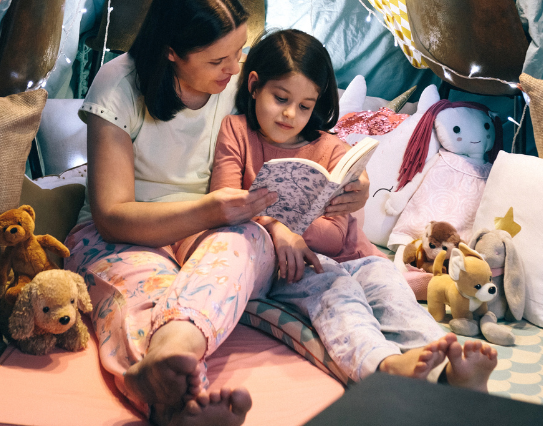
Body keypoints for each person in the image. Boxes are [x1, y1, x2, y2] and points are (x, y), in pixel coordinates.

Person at [63, 1, 371, 425]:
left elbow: (310, 134)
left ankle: (175, 356)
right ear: (172, 51)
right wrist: (209, 209)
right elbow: (111, 217)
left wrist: (357, 182)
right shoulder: (119, 84)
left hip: (220, 229)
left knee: (243, 241)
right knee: (143, 295)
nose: (235, 68)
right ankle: (176, 402)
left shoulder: (239, 81)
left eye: (239, 51)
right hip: (126, 234)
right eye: (217, 60)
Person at [210, 29, 498, 390]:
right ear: (254, 86)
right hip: (296, 265)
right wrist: (277, 227)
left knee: (390, 288)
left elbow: (335, 238)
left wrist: (294, 223)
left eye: (305, 106)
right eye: (280, 98)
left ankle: (446, 365)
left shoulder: (332, 149)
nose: (290, 114)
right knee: (338, 293)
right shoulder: (236, 131)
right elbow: (224, 201)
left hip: (353, 255)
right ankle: (384, 364)